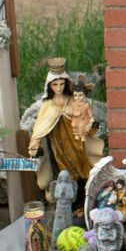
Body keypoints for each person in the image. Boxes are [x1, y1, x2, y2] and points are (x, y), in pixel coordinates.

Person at [29, 57, 98, 199]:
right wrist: (34, 145)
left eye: (61, 84)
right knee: (63, 168)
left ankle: (85, 194)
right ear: (50, 86)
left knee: (82, 164)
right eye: (55, 85)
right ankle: (69, 197)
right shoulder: (48, 105)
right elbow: (39, 128)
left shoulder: (72, 99)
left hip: (76, 140)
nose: (59, 88)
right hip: (58, 142)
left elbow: (85, 115)